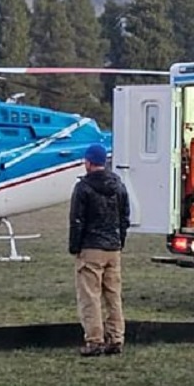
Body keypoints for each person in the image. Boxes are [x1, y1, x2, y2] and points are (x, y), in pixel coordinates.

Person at [68, 143, 130, 357]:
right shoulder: (119, 185)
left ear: (88, 162)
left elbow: (77, 220)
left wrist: (75, 247)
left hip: (91, 247)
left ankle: (94, 340)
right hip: (113, 247)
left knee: (90, 296)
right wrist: (119, 241)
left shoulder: (83, 187)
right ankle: (116, 338)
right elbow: (124, 218)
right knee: (113, 295)